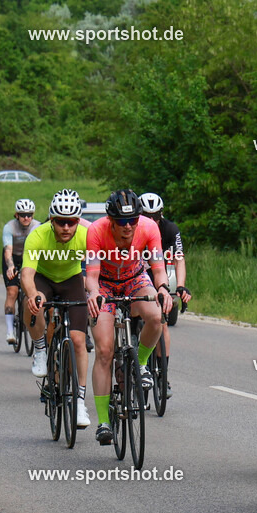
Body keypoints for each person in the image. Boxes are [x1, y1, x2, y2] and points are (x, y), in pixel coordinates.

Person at [85, 190, 172, 445]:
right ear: (111, 220)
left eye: (132, 220)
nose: (128, 227)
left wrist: (164, 289)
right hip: (104, 284)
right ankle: (103, 421)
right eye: (122, 222)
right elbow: (91, 274)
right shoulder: (96, 231)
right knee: (104, 350)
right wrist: (92, 294)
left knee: (156, 317)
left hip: (135, 279)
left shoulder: (148, 228)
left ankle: (141, 364)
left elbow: (158, 268)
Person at [21, 193, 91, 428]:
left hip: (72, 280)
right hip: (44, 280)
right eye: (60, 221)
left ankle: (80, 402)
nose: (66, 227)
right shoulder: (38, 235)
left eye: (71, 222)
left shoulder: (87, 234)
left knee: (79, 341)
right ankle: (40, 348)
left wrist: (95, 293)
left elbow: (94, 271)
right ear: (51, 220)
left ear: (78, 221)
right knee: (32, 304)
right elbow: (27, 275)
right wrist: (33, 295)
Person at [140, 192, 191, 397]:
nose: (152, 221)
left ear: (161, 215)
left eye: (156, 216)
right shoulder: (133, 228)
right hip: (138, 275)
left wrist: (180, 286)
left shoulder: (170, 229)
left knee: (162, 324)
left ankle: (162, 375)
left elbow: (179, 259)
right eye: (147, 216)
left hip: (159, 275)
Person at [2, 199, 41, 344]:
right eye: (23, 215)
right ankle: (10, 331)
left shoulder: (37, 226)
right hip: (13, 258)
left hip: (30, 259)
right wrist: (11, 266)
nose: (26, 218)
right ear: (17, 215)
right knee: (12, 292)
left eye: (29, 215)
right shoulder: (9, 227)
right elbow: (8, 250)